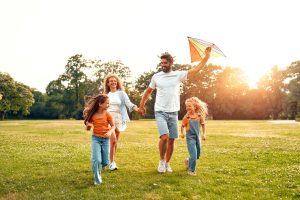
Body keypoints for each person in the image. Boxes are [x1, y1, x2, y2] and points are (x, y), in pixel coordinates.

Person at [139, 47, 211, 173]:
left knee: (172, 139)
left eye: (165, 63)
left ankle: (167, 163)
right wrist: (141, 105)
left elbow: (196, 70)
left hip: (173, 112)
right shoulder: (156, 77)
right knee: (165, 137)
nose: (163, 65)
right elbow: (148, 91)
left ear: (171, 63)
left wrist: (206, 57)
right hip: (160, 111)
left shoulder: (178, 75)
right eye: (161, 63)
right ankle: (161, 161)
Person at [104, 74, 139, 170]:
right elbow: (101, 107)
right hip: (108, 118)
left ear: (117, 82)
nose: (113, 82)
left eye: (115, 80)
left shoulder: (122, 93)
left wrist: (137, 109)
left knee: (115, 142)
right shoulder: (106, 95)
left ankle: (110, 160)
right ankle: (111, 163)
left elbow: (129, 104)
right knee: (113, 140)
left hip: (119, 118)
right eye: (111, 81)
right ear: (108, 83)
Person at [83, 94, 115, 185]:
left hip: (105, 140)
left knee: (105, 162)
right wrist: (89, 125)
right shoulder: (92, 114)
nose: (108, 105)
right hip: (96, 139)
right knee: (97, 160)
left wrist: (109, 132)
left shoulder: (107, 114)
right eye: (107, 103)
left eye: (109, 103)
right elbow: (87, 124)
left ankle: (99, 167)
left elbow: (113, 126)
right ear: (100, 104)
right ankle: (97, 179)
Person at [180, 97, 207, 176]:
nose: (187, 108)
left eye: (189, 106)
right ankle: (191, 170)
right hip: (190, 138)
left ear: (195, 107)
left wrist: (204, 134)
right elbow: (182, 126)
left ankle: (188, 161)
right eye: (187, 106)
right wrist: (182, 133)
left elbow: (203, 125)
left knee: (197, 155)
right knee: (194, 155)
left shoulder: (199, 116)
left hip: (197, 137)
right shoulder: (186, 117)